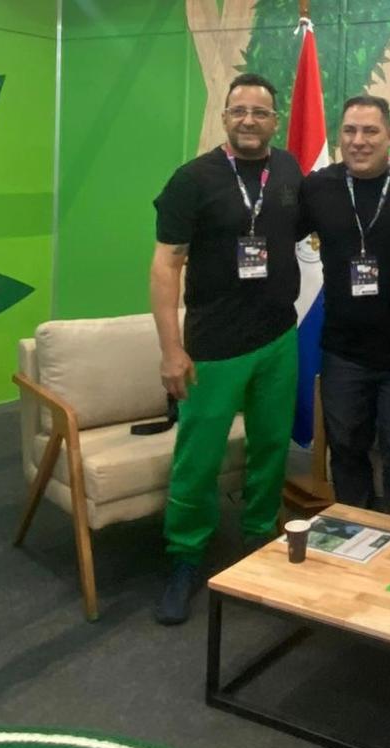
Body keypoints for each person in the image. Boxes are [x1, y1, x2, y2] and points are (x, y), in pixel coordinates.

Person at [150, 73, 303, 625]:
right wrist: (171, 351)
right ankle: (185, 556)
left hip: (278, 338)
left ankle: (260, 539)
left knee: (271, 448)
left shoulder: (288, 170)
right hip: (213, 348)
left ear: (275, 121)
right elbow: (165, 265)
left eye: (260, 112)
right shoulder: (192, 180)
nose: (249, 121)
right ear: (224, 117)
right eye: (239, 111)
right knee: (199, 458)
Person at [300, 96, 390, 516]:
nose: (359, 141)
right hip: (343, 351)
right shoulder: (318, 187)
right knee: (346, 447)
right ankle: (356, 527)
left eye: (370, 131)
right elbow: (277, 235)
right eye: (350, 131)